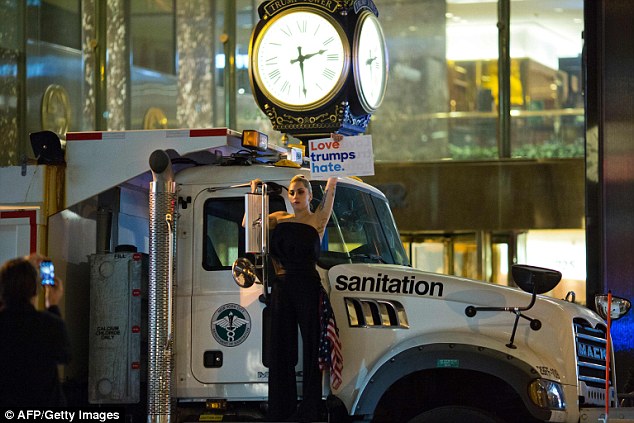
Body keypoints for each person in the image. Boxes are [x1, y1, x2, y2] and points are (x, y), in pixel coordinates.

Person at [248, 173, 338, 422]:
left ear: (310, 195)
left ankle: (310, 409)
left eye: (300, 191)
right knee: (280, 348)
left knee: (312, 346)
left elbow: (332, 186)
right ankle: (280, 410)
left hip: (308, 285)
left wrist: (335, 154)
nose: (295, 196)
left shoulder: (317, 218)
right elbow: (249, 225)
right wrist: (255, 195)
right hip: (282, 286)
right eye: (291, 191)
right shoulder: (278, 219)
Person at [0, 255, 71, 407]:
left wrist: (18, 269)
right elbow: (64, 355)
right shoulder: (47, 324)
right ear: (35, 291)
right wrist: (52, 305)